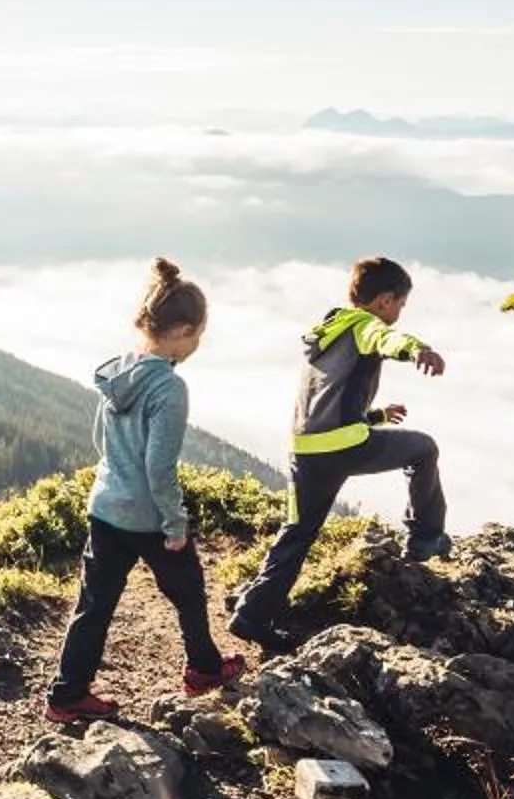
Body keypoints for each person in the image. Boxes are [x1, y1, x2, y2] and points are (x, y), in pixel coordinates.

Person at [44, 258, 242, 726]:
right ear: (181, 331)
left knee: (94, 605)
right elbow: (159, 466)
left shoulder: (120, 372)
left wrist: (117, 477)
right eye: (197, 336)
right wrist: (174, 524)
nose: (197, 345)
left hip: (106, 505)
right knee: (189, 588)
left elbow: (102, 441)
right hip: (146, 516)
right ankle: (203, 669)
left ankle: (67, 695)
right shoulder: (169, 387)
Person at [227, 255, 449, 650]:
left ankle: (251, 614)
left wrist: (376, 415)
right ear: (384, 301)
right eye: (400, 304)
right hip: (344, 447)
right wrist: (418, 349)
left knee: (297, 533)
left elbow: (330, 399)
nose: (398, 311)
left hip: (305, 448)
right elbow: (386, 339)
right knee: (423, 449)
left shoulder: (329, 330)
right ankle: (425, 539)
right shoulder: (367, 326)